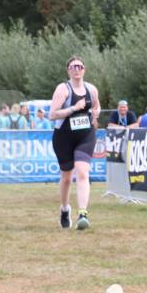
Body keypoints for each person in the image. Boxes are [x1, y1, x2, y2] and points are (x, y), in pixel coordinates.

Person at [48, 56, 101, 230]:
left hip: (85, 135)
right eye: (73, 66)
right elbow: (52, 115)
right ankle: (65, 209)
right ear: (68, 70)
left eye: (80, 66)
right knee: (66, 178)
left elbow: (97, 106)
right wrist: (74, 108)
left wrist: (96, 114)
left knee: (83, 172)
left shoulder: (91, 89)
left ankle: (83, 214)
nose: (77, 69)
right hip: (64, 137)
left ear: (84, 69)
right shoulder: (63, 89)